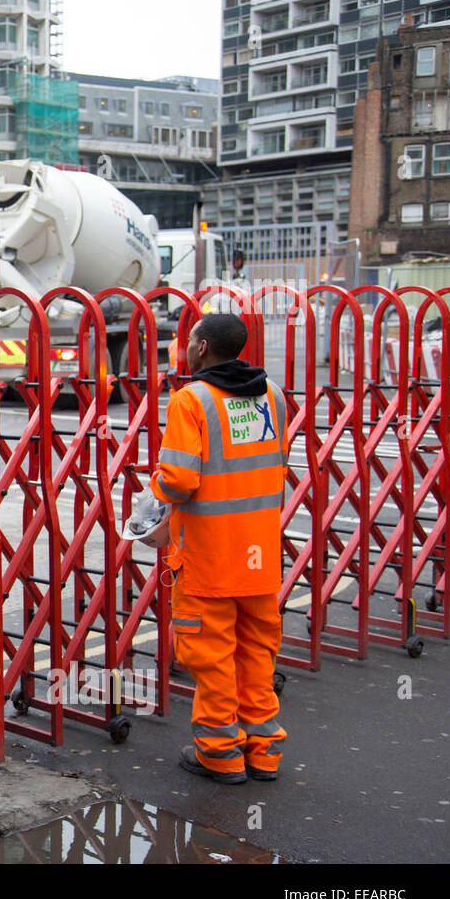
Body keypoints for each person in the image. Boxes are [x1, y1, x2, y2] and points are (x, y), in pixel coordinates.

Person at [149, 313, 289, 785]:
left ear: (202, 347)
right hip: (261, 555)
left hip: (210, 558)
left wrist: (152, 498)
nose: (184, 349)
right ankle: (264, 752)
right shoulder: (273, 396)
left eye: (188, 342)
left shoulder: (192, 400)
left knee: (211, 659)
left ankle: (220, 754)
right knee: (256, 655)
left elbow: (179, 479)